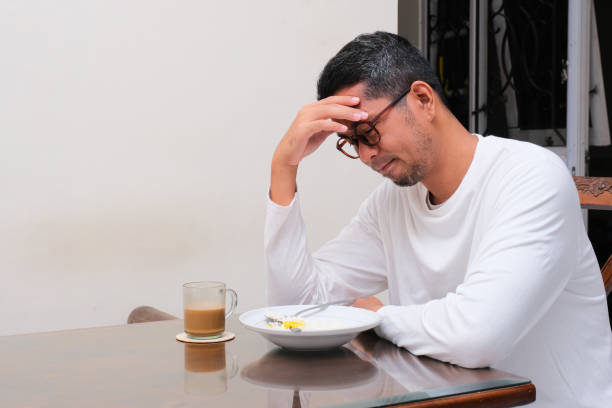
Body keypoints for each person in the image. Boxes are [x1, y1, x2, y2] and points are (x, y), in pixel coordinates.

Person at [264, 31, 612, 407]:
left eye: (368, 132)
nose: (366, 155)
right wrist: (285, 167)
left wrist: (379, 316)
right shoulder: (392, 203)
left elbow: (478, 336)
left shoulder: (531, 177)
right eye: (353, 143)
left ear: (423, 99)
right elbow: (297, 306)